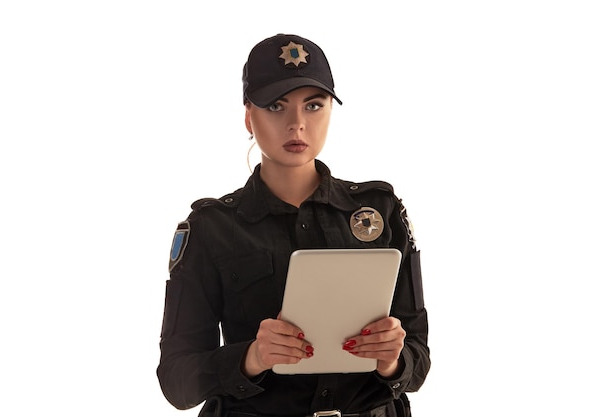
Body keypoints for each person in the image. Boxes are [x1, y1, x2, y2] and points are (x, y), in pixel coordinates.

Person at [157, 33, 431, 417]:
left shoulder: (380, 211)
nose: (297, 124)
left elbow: (418, 358)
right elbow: (176, 381)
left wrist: (393, 360)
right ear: (249, 117)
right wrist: (251, 357)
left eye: (314, 105)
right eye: (276, 106)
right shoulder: (211, 227)